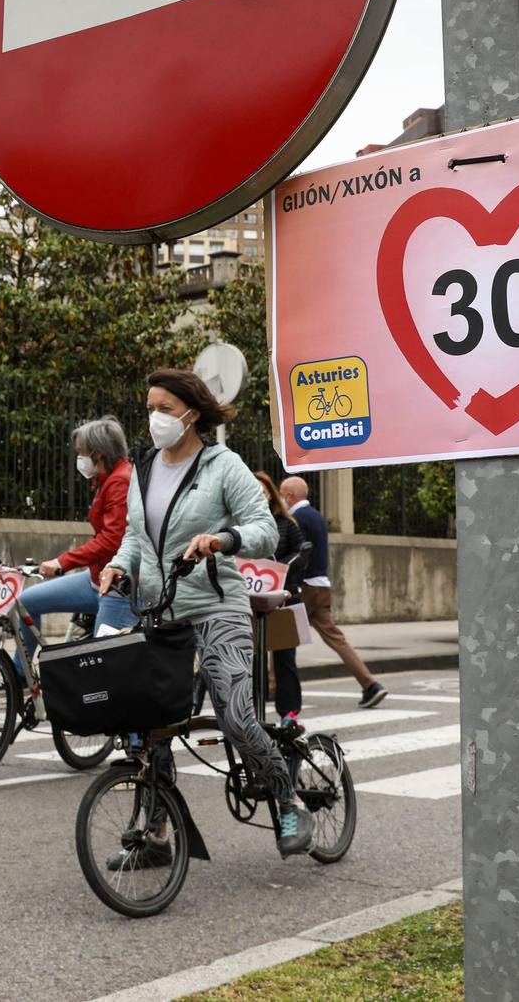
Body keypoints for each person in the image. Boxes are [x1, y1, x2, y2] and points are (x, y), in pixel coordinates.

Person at [100, 368, 314, 860]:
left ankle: (288, 798)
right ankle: (157, 836)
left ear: (192, 413)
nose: (155, 418)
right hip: (160, 610)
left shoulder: (223, 465)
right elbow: (135, 535)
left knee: (237, 718)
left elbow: (265, 527)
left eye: (165, 410)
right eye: (150, 408)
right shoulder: (145, 467)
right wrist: (118, 565)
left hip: (217, 606)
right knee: (151, 726)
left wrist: (223, 540)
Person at [15, 417, 139, 672]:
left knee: (100, 671)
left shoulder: (120, 480)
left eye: (81, 453)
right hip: (95, 579)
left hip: (116, 588)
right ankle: (19, 675)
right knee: (26, 602)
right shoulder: (106, 479)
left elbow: (112, 540)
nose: (79, 459)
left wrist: (62, 562)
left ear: (98, 453)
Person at [280, 476, 388, 709]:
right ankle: (370, 684)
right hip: (322, 585)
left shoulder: (296, 518)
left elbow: (298, 556)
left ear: (289, 496)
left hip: (305, 587)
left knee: (281, 637)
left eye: (281, 494)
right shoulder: (317, 516)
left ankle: (272, 686)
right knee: (336, 640)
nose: (280, 499)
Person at [257, 471, 306, 725]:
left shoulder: (287, 524)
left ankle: (289, 712)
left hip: (285, 598)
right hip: (251, 601)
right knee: (250, 655)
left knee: (284, 657)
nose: (259, 496)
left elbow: (302, 552)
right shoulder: (240, 526)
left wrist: (280, 570)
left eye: (262, 491)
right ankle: (252, 707)